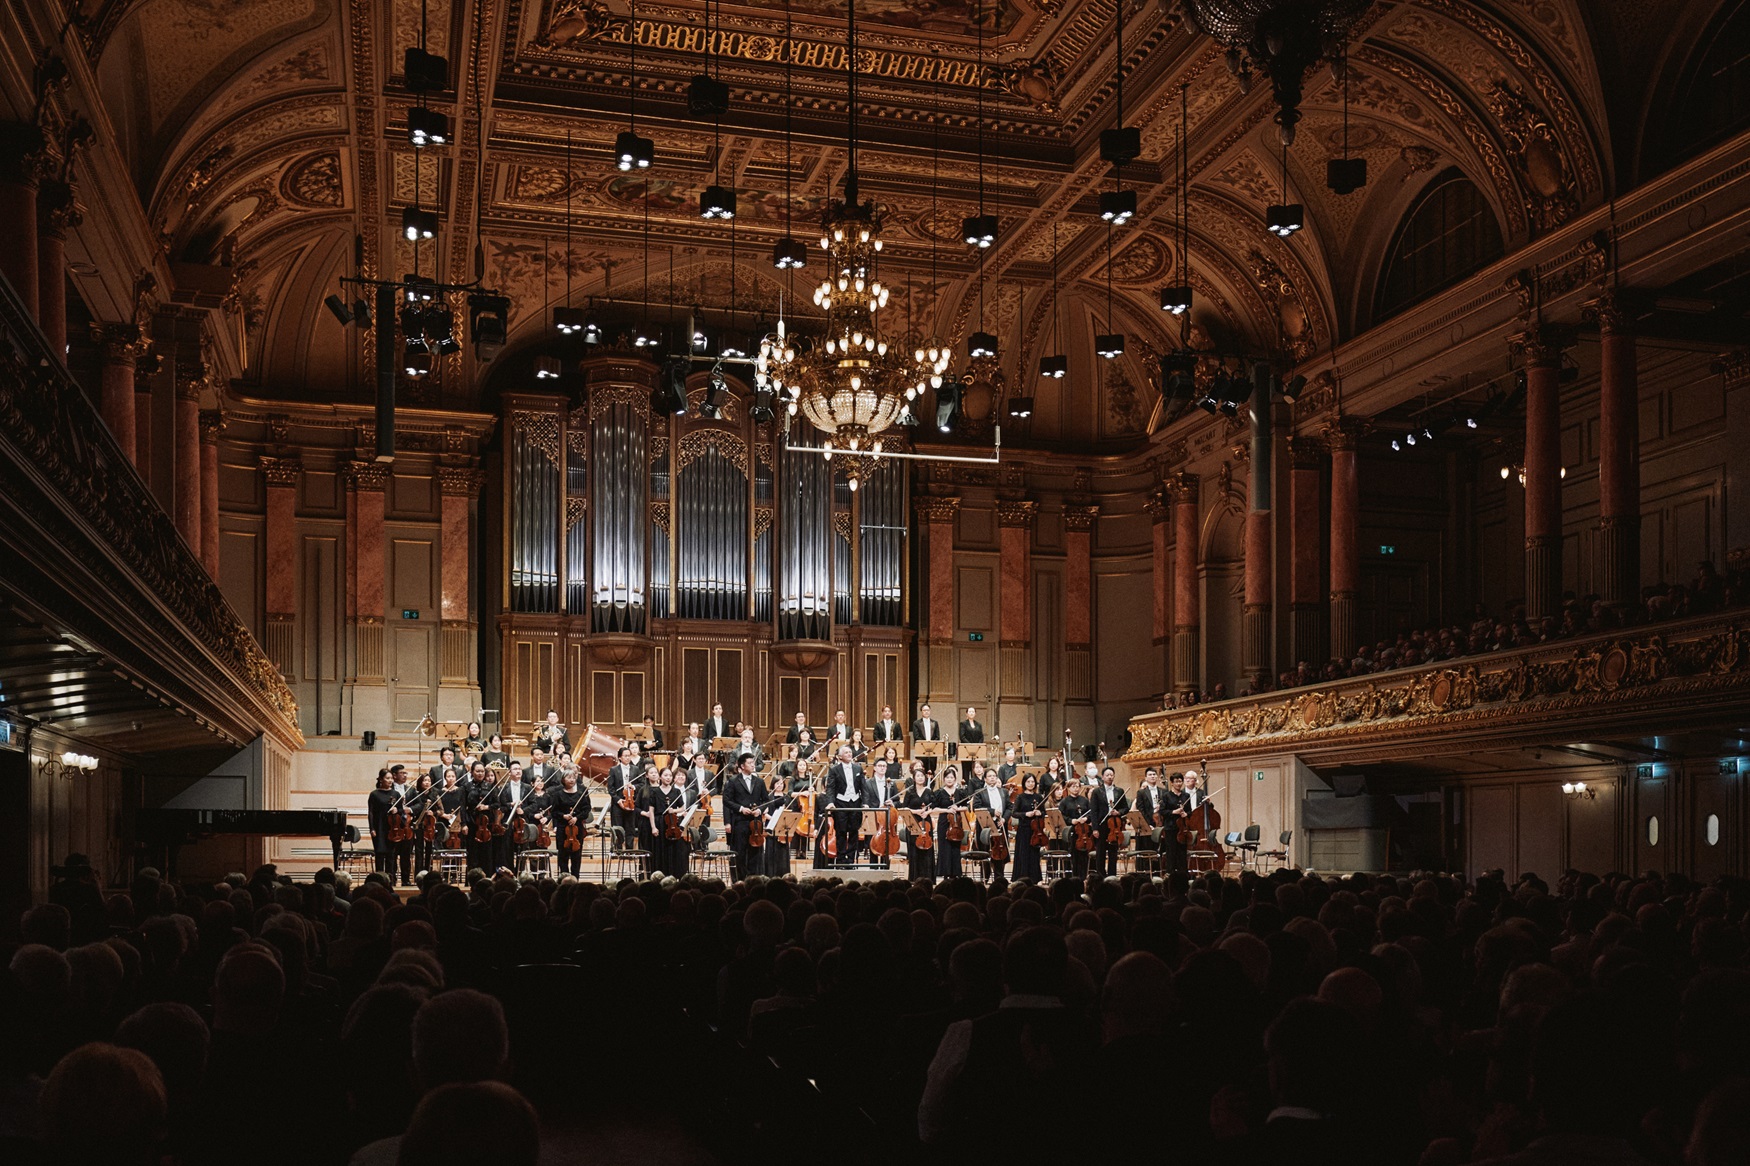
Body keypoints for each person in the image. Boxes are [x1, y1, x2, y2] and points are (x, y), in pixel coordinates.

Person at [721, 753, 768, 881]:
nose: (753, 765)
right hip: (740, 822)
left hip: (756, 823)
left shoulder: (759, 781)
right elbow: (726, 800)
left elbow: (766, 800)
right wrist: (741, 809)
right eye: (750, 763)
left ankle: (754, 880)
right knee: (739, 854)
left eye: (753, 763)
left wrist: (760, 810)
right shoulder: (733, 781)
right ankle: (739, 881)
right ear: (742, 766)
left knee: (755, 853)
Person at [644, 766, 689, 877]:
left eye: (670, 776)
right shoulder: (654, 791)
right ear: (660, 777)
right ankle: (659, 877)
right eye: (665, 775)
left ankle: (673, 876)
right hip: (659, 823)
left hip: (672, 824)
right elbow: (651, 811)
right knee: (660, 851)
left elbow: (682, 808)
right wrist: (653, 827)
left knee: (674, 850)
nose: (668, 778)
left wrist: (674, 810)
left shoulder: (676, 791)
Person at [826, 744, 863, 868]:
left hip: (855, 802)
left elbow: (863, 786)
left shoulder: (858, 768)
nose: (849, 754)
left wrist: (865, 803)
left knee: (854, 832)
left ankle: (851, 859)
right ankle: (841, 859)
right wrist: (830, 802)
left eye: (850, 752)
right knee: (841, 832)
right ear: (840, 756)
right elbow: (830, 788)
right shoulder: (834, 769)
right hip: (841, 802)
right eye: (846, 752)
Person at [550, 767, 592, 878]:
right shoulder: (558, 794)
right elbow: (554, 812)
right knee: (562, 855)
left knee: (576, 856)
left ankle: (575, 878)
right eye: (569, 777)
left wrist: (576, 818)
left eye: (573, 777)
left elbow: (586, 810)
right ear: (563, 779)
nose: (572, 780)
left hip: (577, 828)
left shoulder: (581, 793)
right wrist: (563, 816)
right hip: (563, 828)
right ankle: (564, 878)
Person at [1090, 766, 1128, 879]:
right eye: (1107, 775)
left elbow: (1125, 808)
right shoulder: (1097, 792)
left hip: (1115, 825)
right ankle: (1101, 876)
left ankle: (1112, 876)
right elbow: (1094, 811)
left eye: (1111, 775)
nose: (1110, 777)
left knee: (1113, 852)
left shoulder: (1119, 791)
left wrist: (1118, 812)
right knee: (1100, 853)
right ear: (1102, 777)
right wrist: (1095, 828)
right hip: (1102, 825)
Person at [863, 757, 898, 870]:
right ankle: (873, 870)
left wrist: (893, 803)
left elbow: (898, 801)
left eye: (884, 766)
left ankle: (885, 870)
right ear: (874, 768)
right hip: (873, 816)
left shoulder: (891, 783)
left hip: (887, 818)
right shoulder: (868, 783)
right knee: (873, 843)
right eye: (880, 766)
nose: (882, 768)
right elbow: (865, 798)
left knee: (887, 844)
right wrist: (866, 806)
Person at [902, 766, 936, 882]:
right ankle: (914, 878)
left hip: (926, 821)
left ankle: (928, 878)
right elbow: (904, 808)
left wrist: (927, 812)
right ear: (914, 778)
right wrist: (916, 811)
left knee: (927, 850)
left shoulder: (929, 791)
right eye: (918, 776)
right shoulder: (910, 792)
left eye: (922, 776)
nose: (920, 778)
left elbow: (934, 806)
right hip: (913, 821)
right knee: (914, 850)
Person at [976, 766, 1010, 881]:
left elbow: (1009, 807)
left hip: (1000, 824)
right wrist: (992, 811)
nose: (992, 778)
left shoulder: (1004, 792)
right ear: (985, 779)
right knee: (985, 852)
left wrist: (1004, 819)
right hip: (985, 826)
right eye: (989, 776)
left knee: (1000, 852)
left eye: (994, 776)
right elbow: (977, 807)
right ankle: (984, 879)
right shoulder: (979, 792)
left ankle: (999, 879)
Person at [935, 767, 969, 879]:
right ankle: (945, 874)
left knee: (955, 848)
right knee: (944, 848)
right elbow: (934, 809)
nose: (949, 779)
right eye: (947, 777)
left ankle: (955, 874)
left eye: (951, 777)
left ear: (955, 779)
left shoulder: (960, 792)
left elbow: (966, 807)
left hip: (956, 823)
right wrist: (947, 810)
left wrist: (958, 808)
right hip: (944, 822)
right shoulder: (939, 793)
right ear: (944, 779)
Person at [1056, 775, 1091, 879]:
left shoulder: (1084, 800)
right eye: (1073, 786)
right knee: (1074, 855)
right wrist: (1071, 820)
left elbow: (1091, 813)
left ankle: (1084, 877)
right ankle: (1074, 877)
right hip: (1072, 831)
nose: (1076, 788)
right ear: (1068, 788)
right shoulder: (1064, 801)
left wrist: (1086, 818)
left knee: (1085, 855)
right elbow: (1061, 816)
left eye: (1077, 786)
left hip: (1085, 831)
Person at [1012, 772, 1045, 882]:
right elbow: (1014, 813)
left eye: (1033, 782)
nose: (1031, 784)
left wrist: (1040, 813)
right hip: (1024, 830)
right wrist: (1026, 814)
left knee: (1034, 855)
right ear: (1024, 783)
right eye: (1028, 781)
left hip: (1036, 831)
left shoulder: (1038, 797)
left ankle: (1035, 879)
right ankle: (1022, 878)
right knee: (1023, 854)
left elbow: (1044, 812)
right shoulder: (1020, 797)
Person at [606, 746, 639, 852]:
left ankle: (629, 851)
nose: (628, 758)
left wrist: (633, 787)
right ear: (620, 757)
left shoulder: (635, 769)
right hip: (618, 803)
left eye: (629, 756)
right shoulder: (614, 770)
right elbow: (610, 788)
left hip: (631, 802)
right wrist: (618, 800)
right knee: (618, 828)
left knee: (630, 828)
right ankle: (618, 850)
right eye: (625, 756)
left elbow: (641, 783)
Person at [366, 768, 396, 876]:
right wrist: (372, 828)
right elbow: (371, 813)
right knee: (379, 854)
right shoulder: (374, 794)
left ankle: (390, 879)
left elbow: (401, 810)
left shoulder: (395, 794)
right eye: (387, 778)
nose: (390, 780)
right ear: (381, 779)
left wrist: (397, 810)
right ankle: (379, 878)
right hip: (378, 827)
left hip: (392, 828)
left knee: (391, 855)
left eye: (391, 778)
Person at [410, 772, 439, 878]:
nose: (427, 783)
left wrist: (433, 813)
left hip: (430, 826)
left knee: (429, 850)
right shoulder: (416, 794)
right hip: (418, 825)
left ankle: (428, 873)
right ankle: (418, 874)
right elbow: (412, 809)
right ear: (420, 782)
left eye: (429, 781)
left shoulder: (435, 795)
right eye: (425, 780)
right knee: (418, 850)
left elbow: (441, 811)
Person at [1134, 767, 1167, 862]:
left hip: (1161, 824)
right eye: (1150, 775)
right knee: (1149, 852)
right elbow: (1141, 810)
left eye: (1154, 774)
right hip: (1148, 826)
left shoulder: (1163, 791)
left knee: (1162, 851)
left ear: (1157, 777)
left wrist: (1161, 808)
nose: (1152, 776)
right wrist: (1148, 825)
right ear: (1146, 778)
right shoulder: (1141, 792)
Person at [1163, 770, 1190, 874]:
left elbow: (1190, 811)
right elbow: (1162, 811)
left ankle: (1183, 874)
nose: (1179, 784)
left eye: (1180, 781)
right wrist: (1174, 812)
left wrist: (1186, 814)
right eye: (1176, 781)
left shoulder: (1186, 796)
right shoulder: (1166, 796)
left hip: (1182, 828)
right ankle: (1170, 874)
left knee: (1182, 853)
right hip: (1170, 828)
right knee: (1171, 852)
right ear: (1172, 783)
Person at [912, 702, 942, 773]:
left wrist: (931, 744)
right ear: (921, 712)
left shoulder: (935, 723)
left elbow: (937, 737)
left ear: (930, 711)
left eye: (928, 710)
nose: (926, 712)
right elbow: (916, 737)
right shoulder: (916, 723)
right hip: (921, 750)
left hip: (932, 750)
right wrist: (926, 743)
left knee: (932, 770)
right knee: (921, 770)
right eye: (924, 710)